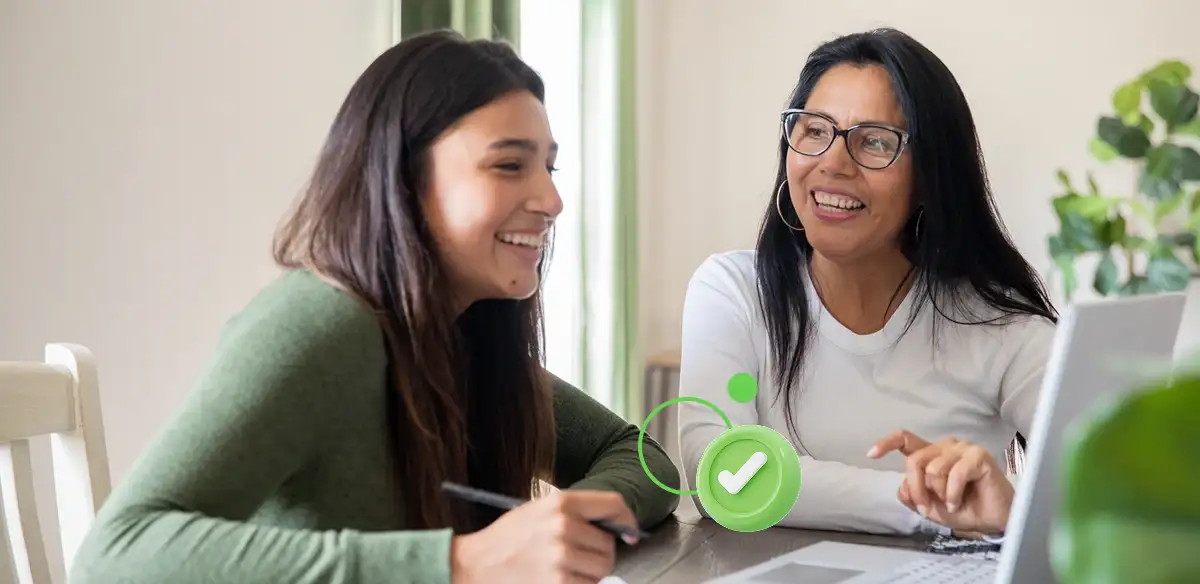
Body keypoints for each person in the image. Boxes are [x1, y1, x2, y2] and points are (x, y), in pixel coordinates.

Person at [70, 30, 679, 584]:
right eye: (509, 165)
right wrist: (460, 563)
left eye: (548, 167)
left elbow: (643, 459)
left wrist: (571, 522)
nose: (552, 199)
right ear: (403, 178)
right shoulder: (319, 326)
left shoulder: (462, 335)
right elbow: (114, 556)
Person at [676, 28, 1057, 539]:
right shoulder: (733, 292)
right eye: (814, 131)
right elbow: (722, 476)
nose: (833, 163)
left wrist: (1012, 504)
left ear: (929, 177)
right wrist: (936, 508)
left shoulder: (998, 326)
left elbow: (1111, 491)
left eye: (875, 141)